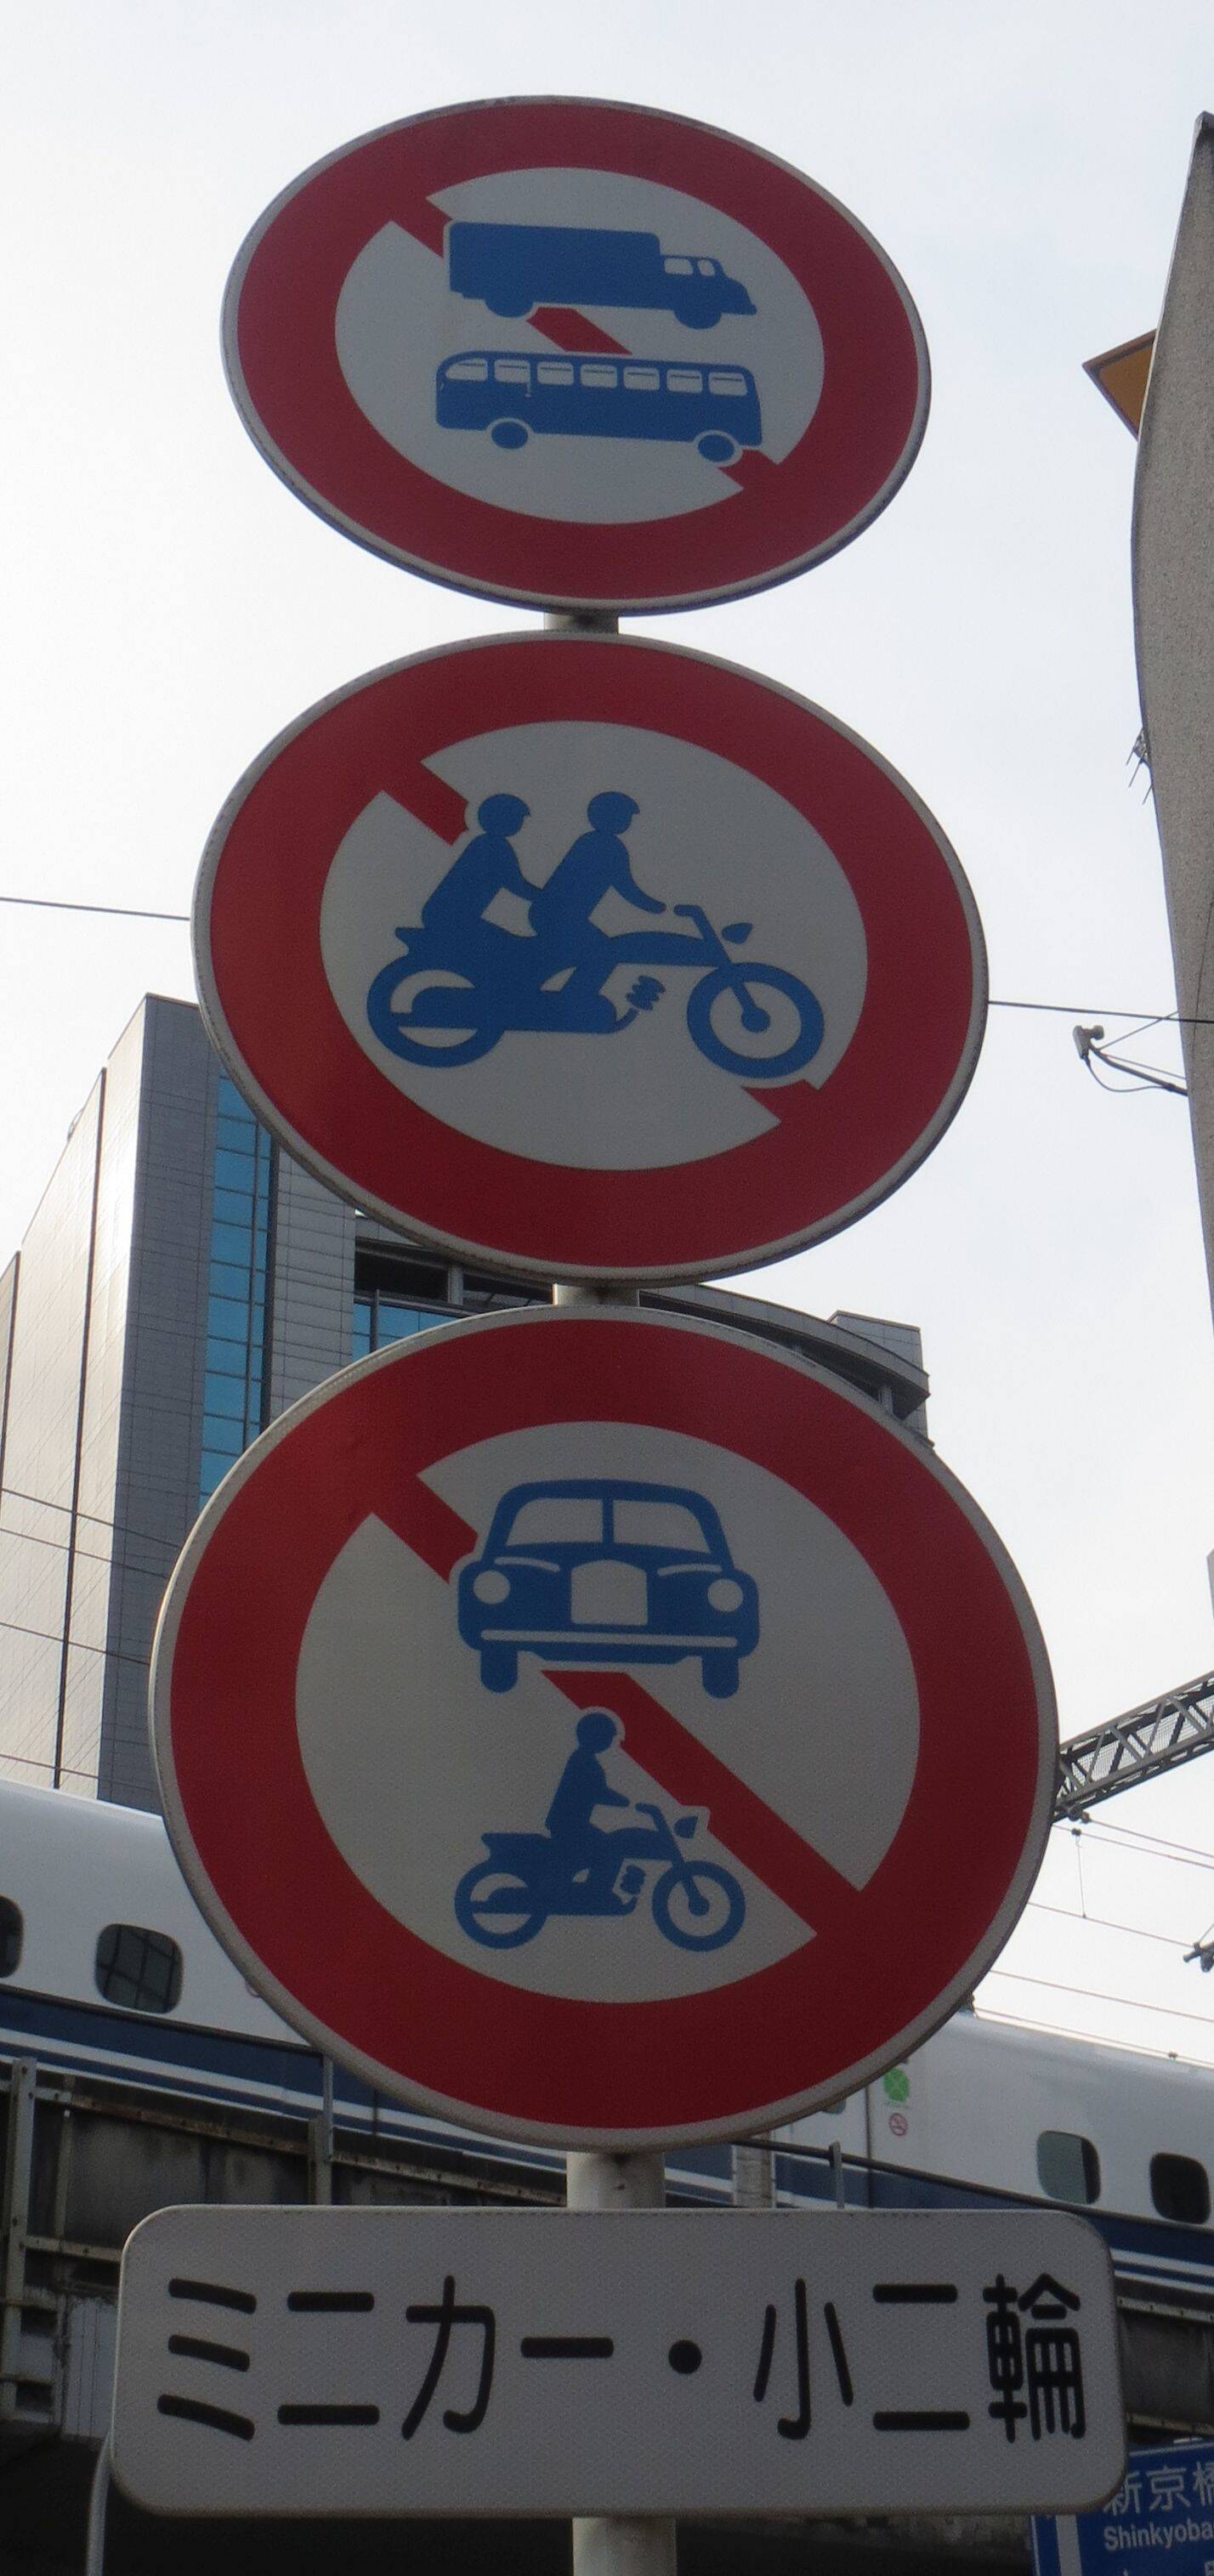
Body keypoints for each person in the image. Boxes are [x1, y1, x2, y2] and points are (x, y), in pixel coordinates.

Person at [528, 792, 666, 1015]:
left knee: (596, 949)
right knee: (604, 952)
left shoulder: (589, 841)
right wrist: (655, 907)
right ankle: (576, 1001)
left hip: (551, 913)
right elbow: (624, 886)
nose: (627, 822)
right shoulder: (609, 847)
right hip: (559, 916)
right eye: (625, 816)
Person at [419, 793, 535, 957]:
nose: (520, 823)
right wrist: (545, 897)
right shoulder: (494, 847)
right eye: (517, 818)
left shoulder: (486, 843)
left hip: (446, 915)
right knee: (504, 944)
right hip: (451, 918)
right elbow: (515, 884)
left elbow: (513, 882)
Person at [543, 1709, 631, 1903]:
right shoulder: (585, 1762)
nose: (610, 1742)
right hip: (569, 1824)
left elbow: (595, 1790)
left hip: (569, 1822)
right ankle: (596, 1894)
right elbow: (596, 1791)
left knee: (605, 1847)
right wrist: (625, 1802)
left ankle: (594, 1891)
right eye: (607, 1737)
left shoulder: (583, 1759)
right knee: (610, 1850)